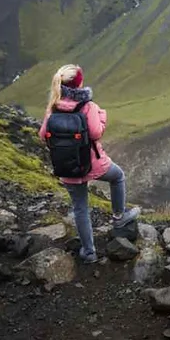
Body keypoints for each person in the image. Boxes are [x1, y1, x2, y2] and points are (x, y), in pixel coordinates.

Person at [38, 64, 140, 263]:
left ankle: (89, 252)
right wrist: (102, 117)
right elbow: (96, 133)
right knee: (118, 176)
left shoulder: (53, 107)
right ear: (79, 83)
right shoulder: (88, 106)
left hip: (67, 167)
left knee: (80, 208)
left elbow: (43, 135)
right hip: (92, 164)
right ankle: (119, 217)